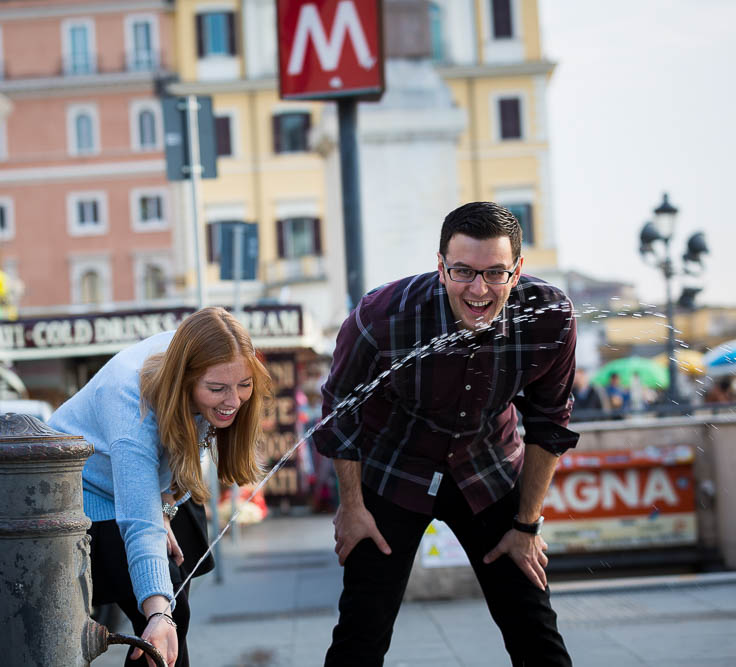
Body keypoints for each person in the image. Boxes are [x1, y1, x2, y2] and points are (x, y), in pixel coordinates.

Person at [311, 202, 578, 666]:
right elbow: (340, 412)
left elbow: (549, 421)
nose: (479, 289)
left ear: (517, 270)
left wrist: (526, 524)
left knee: (534, 629)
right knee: (362, 631)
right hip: (394, 471)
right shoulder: (382, 315)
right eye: (463, 271)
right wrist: (351, 507)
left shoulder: (550, 317)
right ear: (440, 266)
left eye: (495, 273)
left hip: (488, 469)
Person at [48, 307, 272, 667]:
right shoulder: (129, 401)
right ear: (185, 379)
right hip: (84, 492)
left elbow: (177, 455)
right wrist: (157, 611)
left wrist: (167, 505)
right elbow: (138, 521)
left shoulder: (209, 358)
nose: (233, 401)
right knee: (164, 616)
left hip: (144, 488)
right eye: (217, 389)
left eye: (244, 386)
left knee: (173, 612)